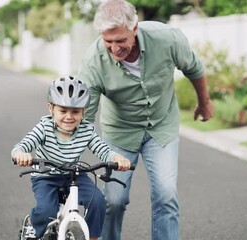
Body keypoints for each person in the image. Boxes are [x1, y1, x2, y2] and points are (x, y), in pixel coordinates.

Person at [77, 0, 214, 239]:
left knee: (166, 194)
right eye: (108, 41)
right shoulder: (93, 61)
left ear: (135, 28)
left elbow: (194, 68)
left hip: (162, 126)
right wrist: (68, 155)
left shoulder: (168, 39)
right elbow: (84, 119)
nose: (114, 48)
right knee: (114, 201)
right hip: (119, 133)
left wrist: (204, 103)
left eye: (120, 40)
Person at [11, 76, 132, 240]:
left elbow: (102, 149)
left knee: (97, 201)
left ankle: (92, 237)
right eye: (62, 111)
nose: (69, 116)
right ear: (51, 108)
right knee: (46, 210)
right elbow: (22, 146)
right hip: (46, 176)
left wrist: (116, 157)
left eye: (75, 111)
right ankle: (33, 223)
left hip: (75, 175)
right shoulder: (44, 128)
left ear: (84, 112)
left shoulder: (86, 130)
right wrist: (21, 154)